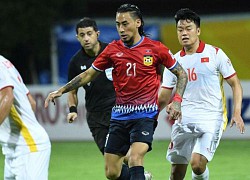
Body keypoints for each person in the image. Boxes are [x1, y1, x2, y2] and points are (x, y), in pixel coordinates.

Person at [45, 4, 187, 180]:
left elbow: (181, 74)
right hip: (119, 117)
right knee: (112, 172)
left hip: (144, 116)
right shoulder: (112, 50)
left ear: (137, 23)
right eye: (118, 24)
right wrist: (62, 90)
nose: (121, 29)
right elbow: (88, 74)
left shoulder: (156, 49)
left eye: (125, 24)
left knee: (135, 158)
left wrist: (178, 100)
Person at [158, 8, 245, 180]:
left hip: (212, 117)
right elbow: (164, 95)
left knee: (197, 164)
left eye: (188, 28)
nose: (184, 33)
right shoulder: (174, 62)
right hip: (184, 118)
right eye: (180, 29)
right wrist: (153, 113)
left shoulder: (215, 54)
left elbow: (235, 84)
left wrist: (237, 113)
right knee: (176, 173)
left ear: (198, 30)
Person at [67, 17, 115, 155]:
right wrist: (72, 109)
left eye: (89, 34)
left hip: (118, 111)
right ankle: (139, 175)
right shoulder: (75, 62)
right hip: (96, 116)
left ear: (97, 34)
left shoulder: (112, 52)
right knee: (110, 160)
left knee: (120, 153)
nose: (86, 38)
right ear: (77, 38)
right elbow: (72, 91)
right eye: (82, 35)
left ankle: (138, 174)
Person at [0, 55, 51, 179]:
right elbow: (31, 102)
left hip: (29, 148)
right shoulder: (5, 63)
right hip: (13, 149)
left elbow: (8, 96)